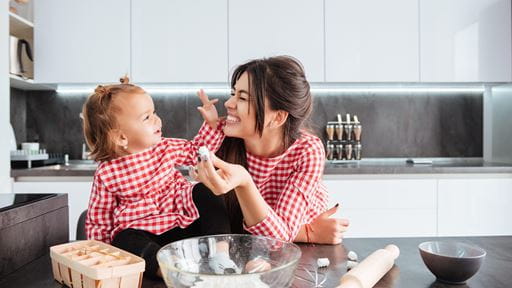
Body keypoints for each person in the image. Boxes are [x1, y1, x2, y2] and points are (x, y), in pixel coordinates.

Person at [82, 77, 236, 278]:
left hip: (184, 222)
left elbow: (195, 151)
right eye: (147, 118)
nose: (158, 120)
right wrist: (100, 257)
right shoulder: (106, 173)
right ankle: (171, 270)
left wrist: (211, 124)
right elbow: (99, 221)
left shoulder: (165, 147)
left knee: (203, 190)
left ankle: (220, 255)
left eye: (154, 113)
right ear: (121, 137)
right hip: (148, 236)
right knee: (122, 238)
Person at [191, 56, 349, 245]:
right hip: (248, 249)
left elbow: (278, 241)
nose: (228, 104)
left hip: (290, 254)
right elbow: (212, 221)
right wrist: (308, 233)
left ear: (277, 117)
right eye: (233, 94)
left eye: (242, 98)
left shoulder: (307, 151)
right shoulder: (220, 135)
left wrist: (244, 181)